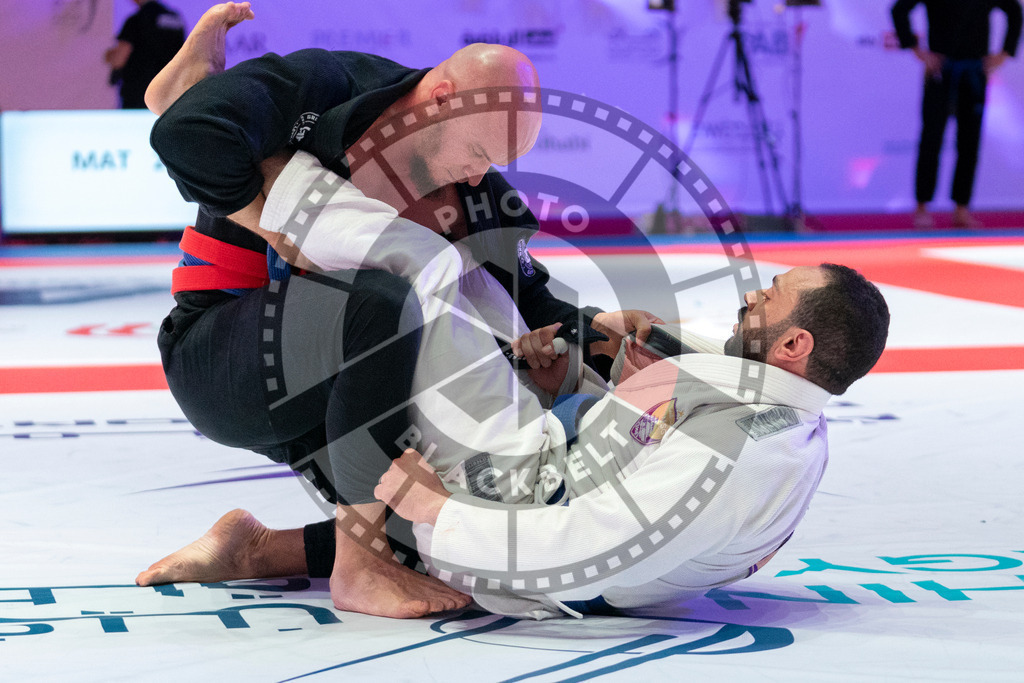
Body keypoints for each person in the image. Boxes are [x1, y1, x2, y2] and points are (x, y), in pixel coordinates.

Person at [137, 3, 658, 619]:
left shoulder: (480, 200)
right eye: (478, 153)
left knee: (458, 526)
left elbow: (536, 305)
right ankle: (359, 565)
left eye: (494, 164)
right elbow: (183, 136)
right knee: (383, 299)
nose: (479, 175)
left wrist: (598, 330)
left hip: (339, 381)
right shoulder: (330, 90)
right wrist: (268, 222)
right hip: (224, 351)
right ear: (441, 100)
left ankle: (255, 548)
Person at [136, 252, 891, 619]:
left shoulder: (746, 451)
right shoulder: (758, 391)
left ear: (794, 345)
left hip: (530, 538)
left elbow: (594, 545)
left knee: (432, 278)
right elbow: (631, 447)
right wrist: (568, 384)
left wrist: (439, 513)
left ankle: (245, 210)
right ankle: (257, 548)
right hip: (544, 474)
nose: (753, 294)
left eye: (771, 296)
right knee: (479, 286)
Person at [891, 0, 1022, 229]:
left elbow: (1015, 11)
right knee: (931, 139)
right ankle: (922, 206)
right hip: (940, 70)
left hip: (974, 71)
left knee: (969, 142)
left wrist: (1005, 52)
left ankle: (961, 208)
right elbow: (899, 10)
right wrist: (917, 50)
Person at [104, 0, 186, 109]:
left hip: (139, 95)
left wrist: (108, 55)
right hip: (169, 94)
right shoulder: (176, 19)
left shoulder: (136, 20)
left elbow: (119, 58)